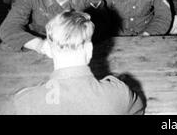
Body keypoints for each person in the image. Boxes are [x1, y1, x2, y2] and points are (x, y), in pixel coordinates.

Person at [13, 10, 144, 115]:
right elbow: (138, 110)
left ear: (48, 49)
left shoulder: (25, 102)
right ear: (89, 49)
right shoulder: (119, 94)